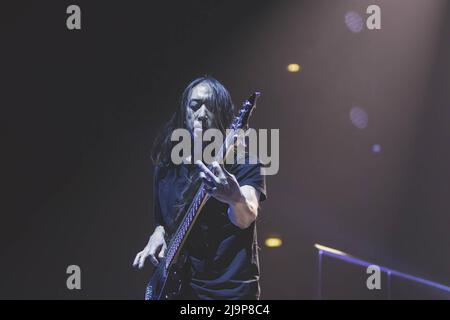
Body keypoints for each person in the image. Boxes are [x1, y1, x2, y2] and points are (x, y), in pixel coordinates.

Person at [133, 76, 267, 299]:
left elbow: (246, 216)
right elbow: (162, 221)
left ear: (223, 115)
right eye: (195, 106)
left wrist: (235, 198)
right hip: (182, 291)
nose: (202, 114)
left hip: (230, 293)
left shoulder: (245, 163)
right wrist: (159, 232)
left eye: (211, 107)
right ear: (183, 111)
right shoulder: (166, 169)